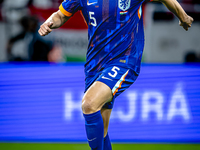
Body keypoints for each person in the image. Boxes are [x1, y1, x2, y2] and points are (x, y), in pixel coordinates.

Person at [38, 0, 193, 149]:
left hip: (124, 60)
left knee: (89, 104)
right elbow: (62, 15)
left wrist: (183, 16)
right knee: (102, 130)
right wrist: (49, 23)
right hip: (95, 64)